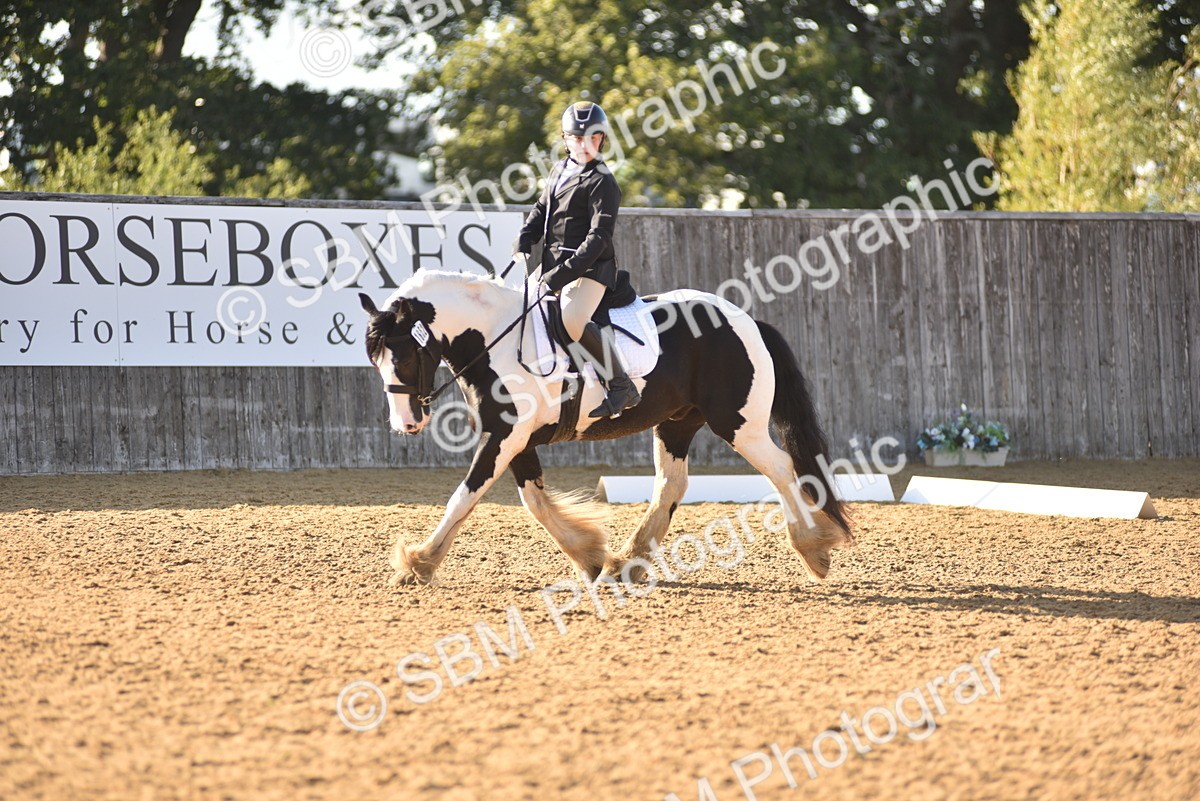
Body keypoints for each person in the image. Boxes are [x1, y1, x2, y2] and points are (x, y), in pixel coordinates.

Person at [512, 100, 641, 418]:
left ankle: (621, 385)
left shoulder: (603, 182)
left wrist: (558, 277)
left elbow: (597, 240)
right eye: (577, 137)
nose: (584, 144)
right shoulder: (559, 170)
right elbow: (541, 208)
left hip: (591, 270)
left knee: (572, 318)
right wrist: (524, 238)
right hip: (554, 264)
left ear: (602, 140)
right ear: (566, 138)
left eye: (593, 138)